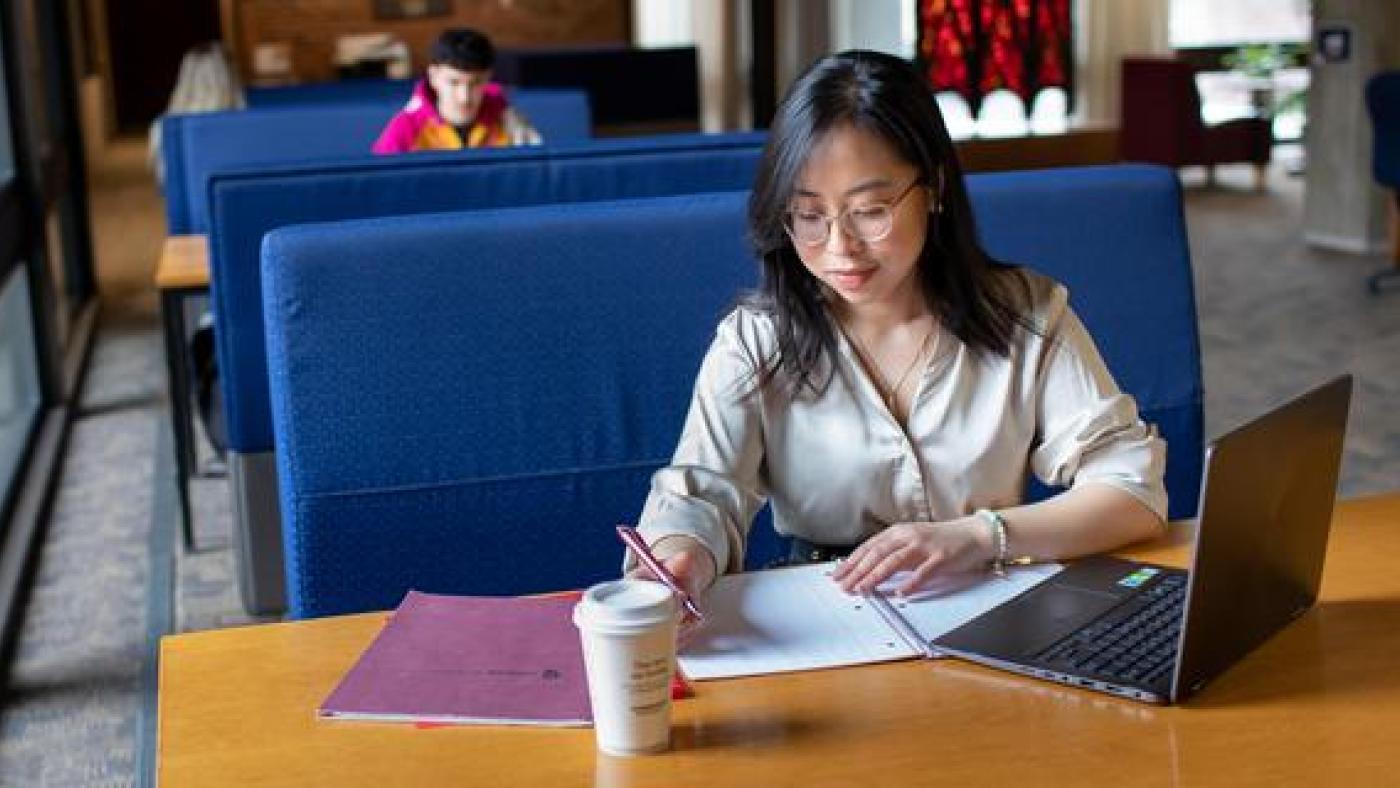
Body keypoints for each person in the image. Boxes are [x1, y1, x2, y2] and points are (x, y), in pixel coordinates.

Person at [627, 50, 1167, 601]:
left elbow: (1132, 489)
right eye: (809, 215)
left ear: (931, 188)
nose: (840, 248)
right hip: (824, 606)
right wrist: (682, 556)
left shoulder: (1026, 313)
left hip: (988, 598)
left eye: (870, 210)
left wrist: (980, 536)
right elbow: (702, 494)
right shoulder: (755, 339)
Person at [372, 28, 540, 154]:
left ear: (488, 78)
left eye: (476, 83)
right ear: (434, 77)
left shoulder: (509, 120)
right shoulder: (405, 128)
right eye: (453, 82)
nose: (464, 97)